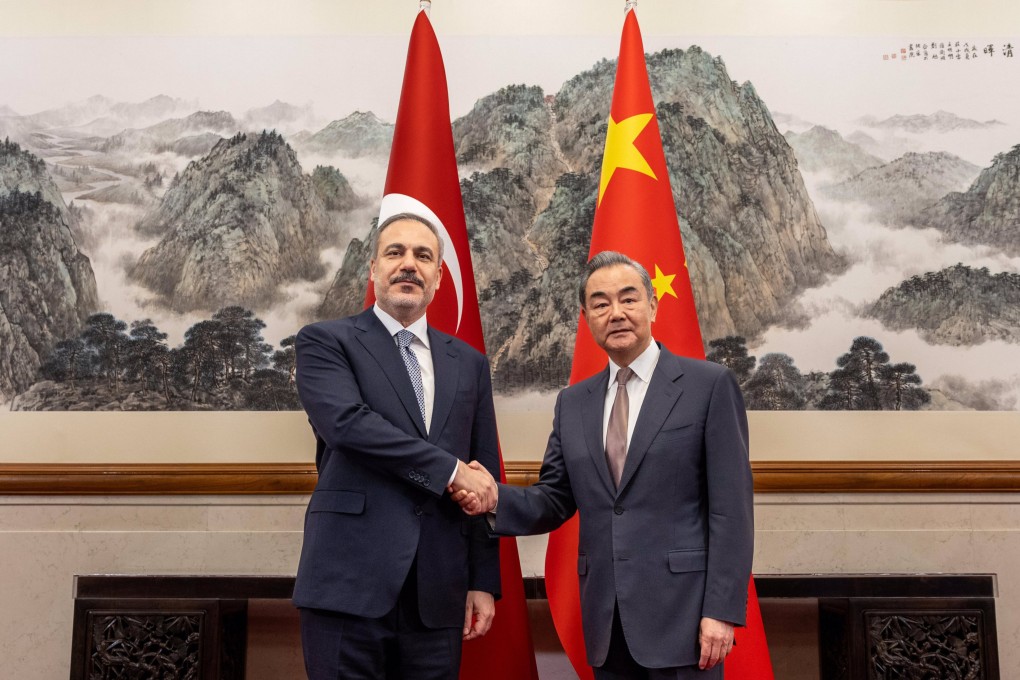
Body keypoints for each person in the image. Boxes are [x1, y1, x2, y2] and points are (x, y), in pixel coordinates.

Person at [455, 250, 754, 679]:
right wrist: (491, 498)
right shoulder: (574, 403)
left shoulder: (708, 386)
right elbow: (555, 497)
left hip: (685, 620)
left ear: (652, 305)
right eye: (600, 303)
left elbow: (732, 511)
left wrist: (722, 611)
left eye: (628, 299)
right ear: (586, 317)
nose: (616, 313)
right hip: (606, 622)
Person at [293, 212, 501, 680]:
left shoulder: (468, 363)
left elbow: (484, 471)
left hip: (438, 592)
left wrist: (482, 580)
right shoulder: (326, 342)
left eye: (423, 256)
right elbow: (349, 425)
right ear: (373, 269)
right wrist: (451, 472)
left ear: (439, 276)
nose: (409, 264)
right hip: (347, 585)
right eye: (396, 253)